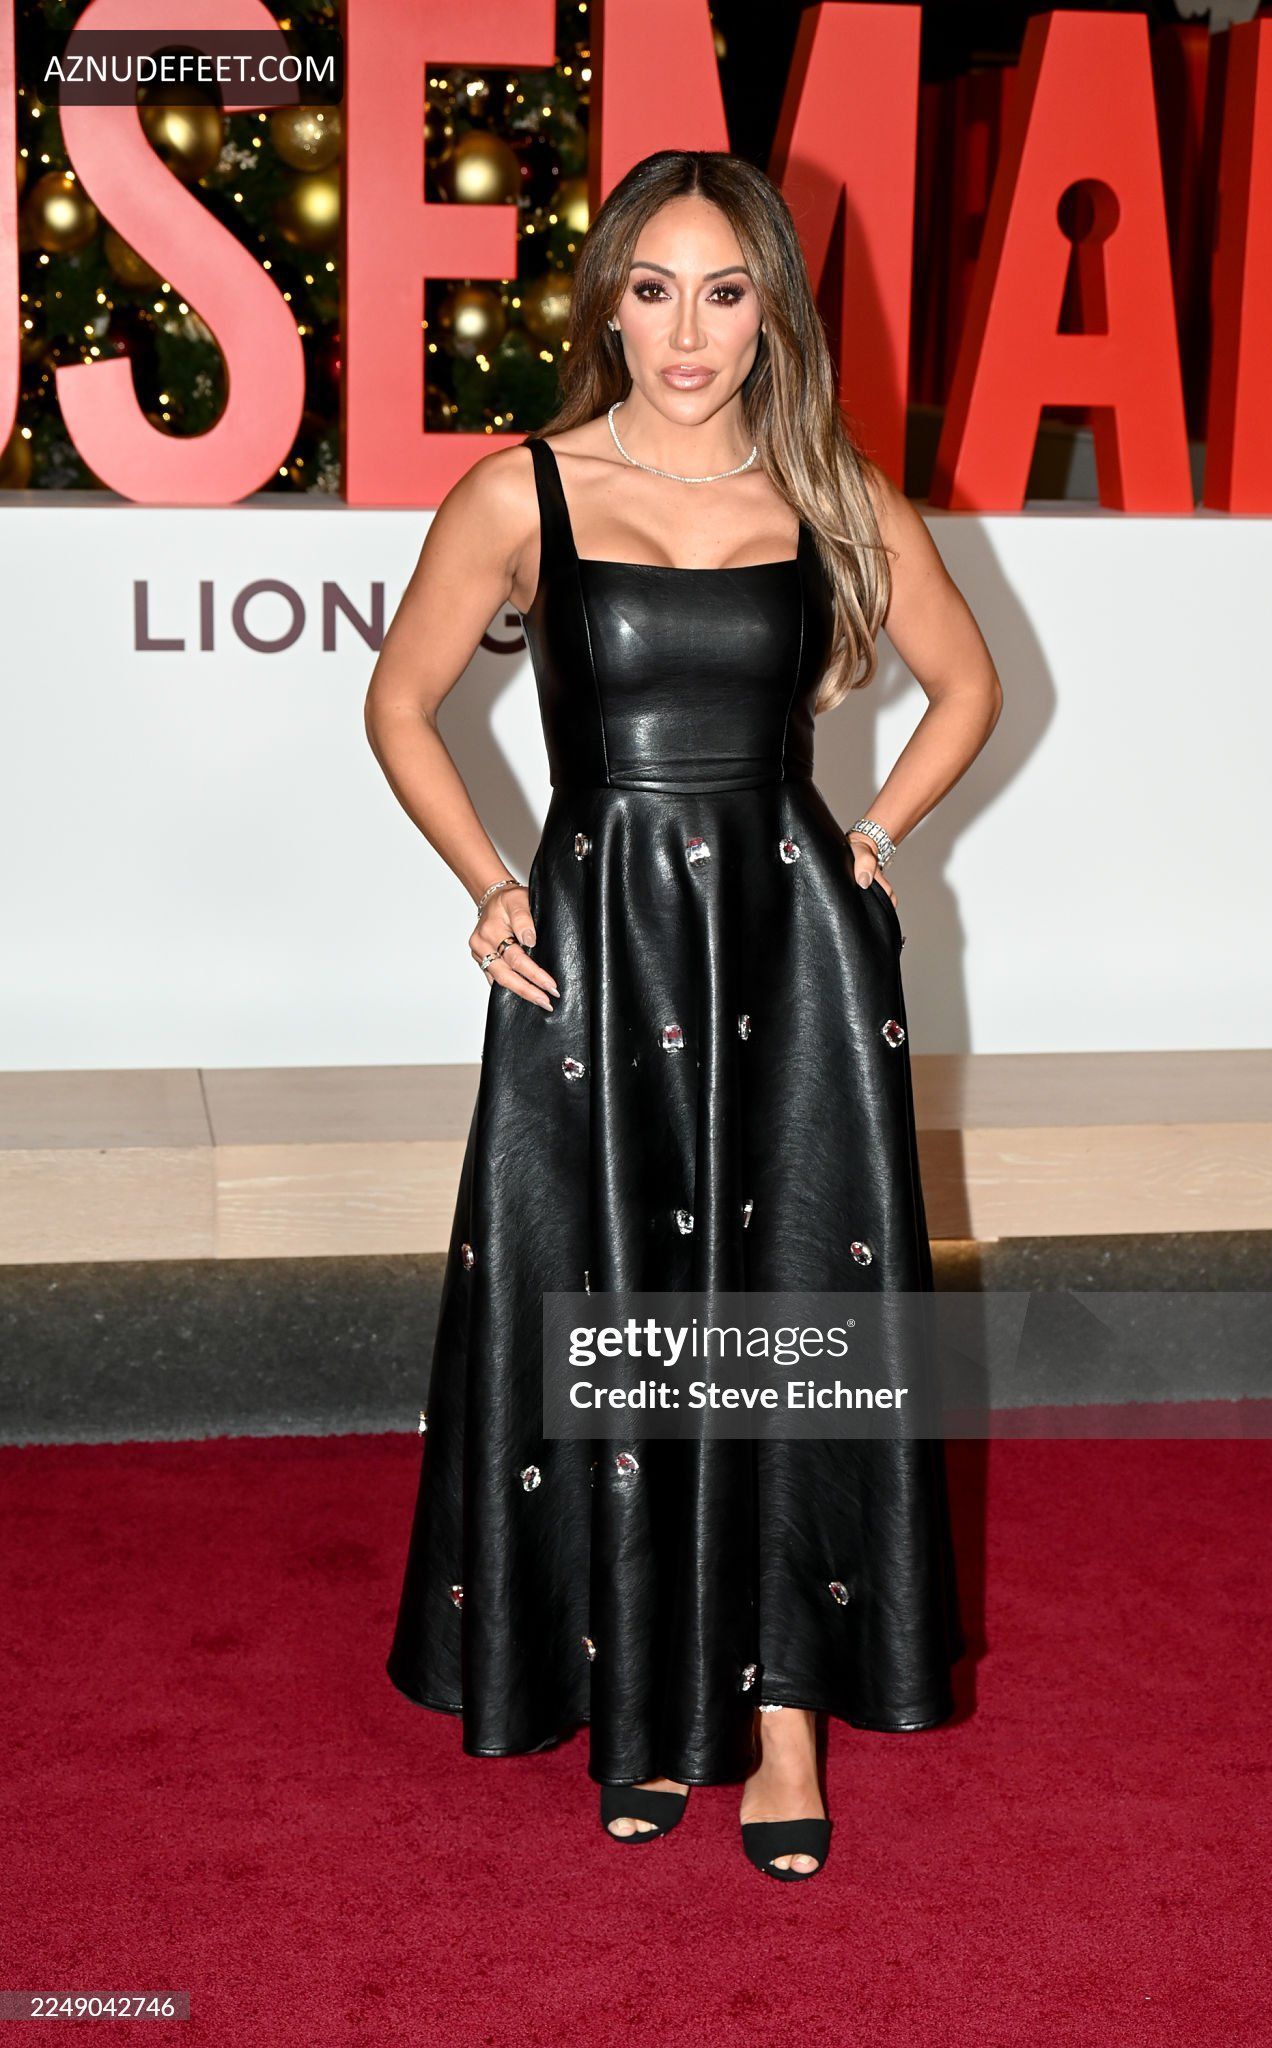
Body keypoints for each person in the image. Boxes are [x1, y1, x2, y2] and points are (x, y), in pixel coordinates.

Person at [366, 148, 1002, 1882]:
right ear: (610, 306)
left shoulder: (832, 490)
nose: (690, 332)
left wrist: (869, 841)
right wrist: (487, 882)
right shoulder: (522, 492)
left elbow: (968, 686)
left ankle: (786, 1709)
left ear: (771, 310)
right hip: (599, 947)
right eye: (655, 291)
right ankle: (640, 1697)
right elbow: (402, 704)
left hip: (791, 948)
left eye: (725, 293)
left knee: (791, 1301)